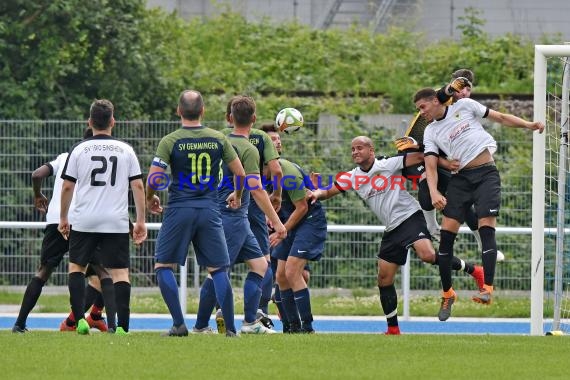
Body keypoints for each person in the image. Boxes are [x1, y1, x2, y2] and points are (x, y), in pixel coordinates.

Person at [309, 136, 484, 333]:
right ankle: (393, 329)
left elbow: (419, 156)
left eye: (359, 148)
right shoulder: (351, 176)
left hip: (411, 216)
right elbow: (328, 192)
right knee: (384, 279)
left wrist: (446, 163)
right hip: (392, 229)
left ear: (371, 150)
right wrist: (316, 192)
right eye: (352, 149)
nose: (355, 152)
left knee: (427, 255)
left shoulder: (388, 164)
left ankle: (475, 271)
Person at [414, 86, 544, 319]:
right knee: (445, 241)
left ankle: (487, 289)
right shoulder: (431, 131)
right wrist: (434, 192)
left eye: (422, 107)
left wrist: (528, 125)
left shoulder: (464, 106)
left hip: (486, 175)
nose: (421, 112)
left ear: (435, 100)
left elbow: (501, 117)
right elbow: (431, 166)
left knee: (486, 228)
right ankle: (447, 294)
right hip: (460, 181)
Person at [147, 90, 246, 337]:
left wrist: (150, 197)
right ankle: (231, 330)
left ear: (178, 111)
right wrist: (238, 195)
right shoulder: (218, 139)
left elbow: (154, 177)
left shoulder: (170, 140)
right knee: (219, 269)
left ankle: (179, 325)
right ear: (202, 111)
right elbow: (241, 174)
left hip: (179, 208)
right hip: (210, 209)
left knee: (162, 265)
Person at [192, 95, 286, 335]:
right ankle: (201, 326)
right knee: (218, 271)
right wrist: (277, 222)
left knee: (260, 266)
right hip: (230, 216)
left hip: (233, 215)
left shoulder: (217, 139)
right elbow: (256, 188)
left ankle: (250, 322)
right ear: (254, 119)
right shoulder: (249, 148)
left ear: (229, 118)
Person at [12, 128, 116, 334]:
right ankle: (111, 325)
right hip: (82, 221)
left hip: (55, 220)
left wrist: (38, 194)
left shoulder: (65, 157)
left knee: (43, 272)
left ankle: (19, 323)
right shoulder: (96, 159)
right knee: (106, 272)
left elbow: (37, 174)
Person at [59, 99, 147, 335]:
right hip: (115, 221)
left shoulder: (79, 149)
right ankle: (122, 328)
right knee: (119, 273)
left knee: (77, 268)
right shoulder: (126, 150)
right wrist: (140, 220)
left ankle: (79, 321)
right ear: (112, 122)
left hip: (84, 219)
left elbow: (67, 187)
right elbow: (138, 186)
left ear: (90, 122)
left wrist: (63, 218)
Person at [397, 69, 504, 263]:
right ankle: (431, 227)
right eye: (459, 87)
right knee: (426, 184)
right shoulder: (439, 98)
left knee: (464, 202)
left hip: (435, 156)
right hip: (414, 157)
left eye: (467, 89)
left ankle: (484, 244)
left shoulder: (462, 107)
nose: (463, 93)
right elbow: (420, 151)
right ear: (452, 85)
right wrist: (444, 161)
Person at [268, 149, 327, 334]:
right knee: (281, 276)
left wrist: (282, 229)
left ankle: (307, 327)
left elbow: (302, 207)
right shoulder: (256, 173)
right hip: (287, 222)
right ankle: (290, 327)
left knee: (293, 271)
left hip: (308, 221)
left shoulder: (288, 173)